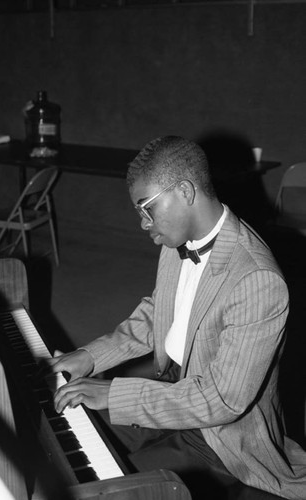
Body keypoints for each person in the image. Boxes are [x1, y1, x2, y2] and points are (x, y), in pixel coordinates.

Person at [50, 136, 306, 499]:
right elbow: (160, 313)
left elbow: (222, 401)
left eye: (147, 208)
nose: (142, 223)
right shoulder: (179, 238)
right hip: (171, 385)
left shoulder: (257, 280)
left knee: (99, 487)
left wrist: (115, 394)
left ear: (185, 191)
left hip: (220, 439)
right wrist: (91, 356)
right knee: (63, 438)